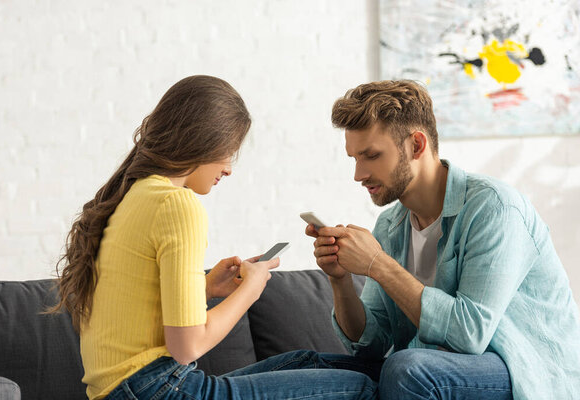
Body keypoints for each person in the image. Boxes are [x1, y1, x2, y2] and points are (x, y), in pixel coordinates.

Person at [50, 75, 379, 400]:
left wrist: (205, 289)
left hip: (128, 390)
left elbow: (132, 308)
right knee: (359, 388)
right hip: (154, 389)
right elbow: (186, 347)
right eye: (229, 151)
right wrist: (251, 289)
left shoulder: (133, 195)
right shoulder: (176, 204)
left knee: (308, 363)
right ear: (204, 139)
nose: (229, 168)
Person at [305, 80, 580, 400]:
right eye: (354, 158)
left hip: (525, 370)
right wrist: (339, 280)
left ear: (416, 146)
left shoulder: (495, 208)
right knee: (303, 364)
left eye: (371, 156)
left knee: (407, 369)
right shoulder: (391, 225)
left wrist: (377, 265)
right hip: (428, 370)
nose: (359, 174)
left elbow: (469, 334)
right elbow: (372, 344)